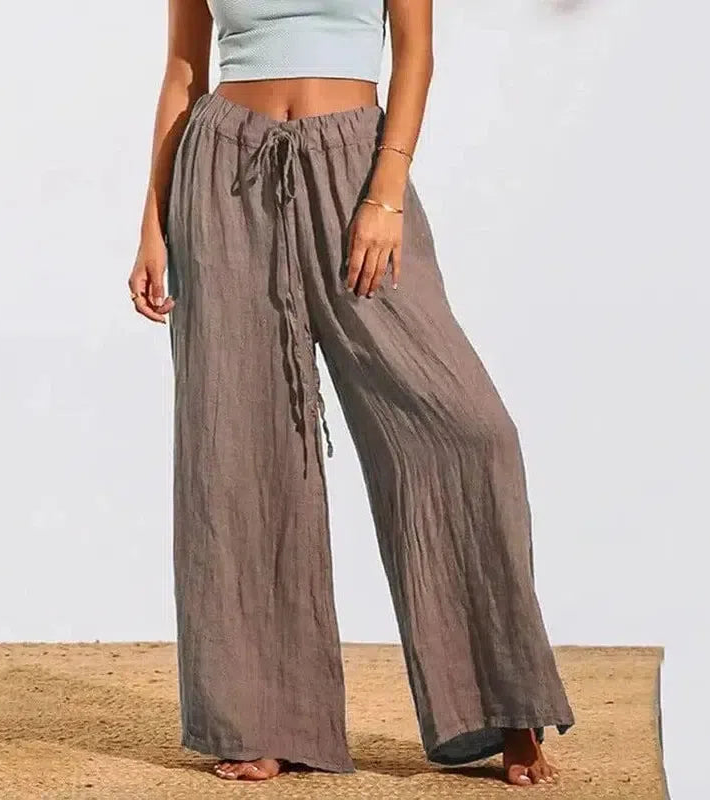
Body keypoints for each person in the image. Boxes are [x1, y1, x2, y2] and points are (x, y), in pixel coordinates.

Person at [127, 0, 575, 787]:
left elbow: (415, 53)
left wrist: (385, 192)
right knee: (239, 445)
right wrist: (152, 225)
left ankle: (505, 704)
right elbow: (184, 73)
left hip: (354, 163)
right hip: (222, 171)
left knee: (468, 428)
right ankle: (262, 717)